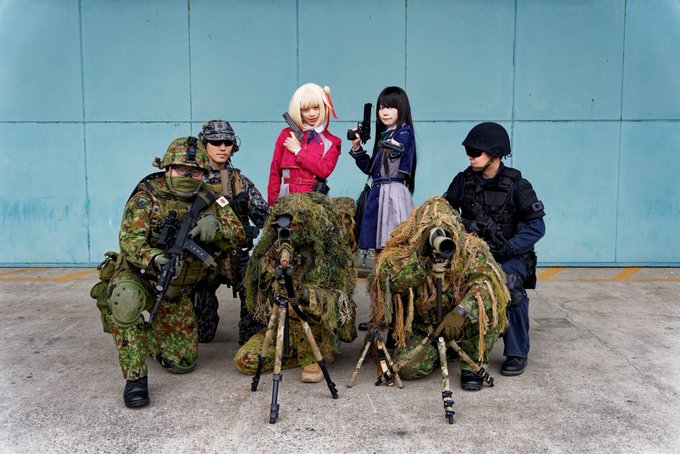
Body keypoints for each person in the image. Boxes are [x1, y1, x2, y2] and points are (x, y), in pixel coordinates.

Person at [99, 137, 245, 408]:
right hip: (142, 276)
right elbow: (130, 241)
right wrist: (155, 258)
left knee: (182, 364)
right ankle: (135, 379)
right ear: (166, 168)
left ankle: (146, 336)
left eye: (195, 172)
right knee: (125, 300)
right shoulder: (147, 196)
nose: (188, 176)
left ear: (203, 173)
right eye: (180, 170)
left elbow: (238, 233)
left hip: (177, 290)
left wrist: (216, 227)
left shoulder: (212, 198)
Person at [369, 196, 509, 390]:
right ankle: (437, 351)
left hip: (460, 324)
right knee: (408, 369)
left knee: (489, 310)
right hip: (424, 328)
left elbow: (487, 284)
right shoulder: (403, 249)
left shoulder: (470, 249)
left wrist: (461, 312)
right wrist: (420, 258)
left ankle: (472, 364)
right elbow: (389, 282)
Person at [443, 122, 545, 376]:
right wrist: (461, 226)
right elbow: (444, 212)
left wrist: (509, 247)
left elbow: (536, 227)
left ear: (495, 154)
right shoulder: (463, 180)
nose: (470, 157)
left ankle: (517, 351)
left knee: (510, 284)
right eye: (468, 151)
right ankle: (454, 341)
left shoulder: (518, 185)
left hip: (509, 256)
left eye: (475, 152)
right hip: (472, 254)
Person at [234, 193, 357, 383]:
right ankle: (294, 355)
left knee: (295, 305)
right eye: (283, 226)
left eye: (294, 225)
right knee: (245, 360)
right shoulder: (276, 247)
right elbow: (259, 284)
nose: (289, 231)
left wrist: (303, 293)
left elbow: (335, 302)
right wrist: (272, 260)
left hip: (314, 327)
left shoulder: (326, 253)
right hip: (283, 327)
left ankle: (312, 357)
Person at [192, 119, 271, 345]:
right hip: (202, 257)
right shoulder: (192, 179)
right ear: (204, 144)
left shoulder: (239, 182)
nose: (222, 147)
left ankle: (251, 332)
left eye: (227, 142)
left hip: (235, 255)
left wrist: (248, 208)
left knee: (258, 278)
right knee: (202, 333)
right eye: (216, 142)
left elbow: (265, 218)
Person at [349, 86, 418, 331]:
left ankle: (394, 318)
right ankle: (380, 315)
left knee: (392, 257)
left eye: (389, 107)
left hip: (393, 195)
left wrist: (380, 139)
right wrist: (357, 146)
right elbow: (371, 169)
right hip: (380, 194)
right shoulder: (388, 135)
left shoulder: (404, 133)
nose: (384, 112)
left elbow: (398, 147)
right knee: (379, 259)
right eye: (381, 107)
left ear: (401, 109)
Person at [267, 83, 341, 205]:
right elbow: (275, 172)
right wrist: (272, 205)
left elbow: (324, 171)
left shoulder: (333, 141)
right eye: (306, 109)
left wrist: (298, 151)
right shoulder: (286, 134)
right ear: (299, 111)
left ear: (324, 107)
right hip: (286, 199)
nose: (312, 114)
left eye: (316, 107)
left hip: (316, 202)